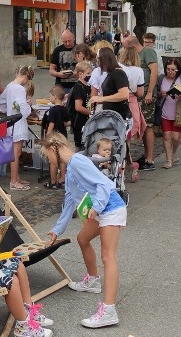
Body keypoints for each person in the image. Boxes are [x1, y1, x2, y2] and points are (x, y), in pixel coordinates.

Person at [43, 133, 126, 329]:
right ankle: (93, 281)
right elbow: (70, 201)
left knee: (108, 257)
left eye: (48, 156)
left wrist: (96, 208)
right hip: (101, 210)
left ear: (54, 148)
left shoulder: (77, 161)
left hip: (111, 208)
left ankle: (109, 311)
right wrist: (57, 230)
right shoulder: (71, 167)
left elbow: (105, 185)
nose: (49, 161)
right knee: (82, 238)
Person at [132, 34, 162, 171]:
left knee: (148, 125)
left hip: (146, 95)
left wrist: (149, 92)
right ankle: (146, 156)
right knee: (144, 126)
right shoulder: (139, 54)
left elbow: (154, 72)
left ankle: (150, 159)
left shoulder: (148, 52)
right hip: (139, 94)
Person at [155, 59, 181, 169]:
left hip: (178, 113)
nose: (170, 72)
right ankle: (168, 159)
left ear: (177, 70)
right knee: (166, 136)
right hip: (165, 111)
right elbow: (155, 93)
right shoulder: (161, 78)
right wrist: (161, 94)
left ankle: (174, 152)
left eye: (173, 70)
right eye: (168, 69)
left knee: (175, 137)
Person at [118, 44, 146, 182]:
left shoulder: (118, 68)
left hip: (118, 103)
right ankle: (129, 165)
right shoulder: (138, 71)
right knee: (127, 139)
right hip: (132, 103)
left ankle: (124, 164)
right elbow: (140, 92)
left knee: (120, 138)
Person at [5, 66, 34, 191]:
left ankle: (16, 177)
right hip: (18, 122)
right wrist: (29, 105)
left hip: (11, 120)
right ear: (27, 77)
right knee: (16, 154)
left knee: (15, 153)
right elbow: (23, 108)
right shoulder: (20, 89)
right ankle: (13, 181)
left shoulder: (10, 86)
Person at [42, 85, 70, 189]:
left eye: (50, 96)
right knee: (62, 158)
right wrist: (62, 124)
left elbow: (51, 125)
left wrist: (47, 138)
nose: (49, 98)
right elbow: (68, 122)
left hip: (54, 137)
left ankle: (53, 181)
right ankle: (62, 179)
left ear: (55, 96)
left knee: (53, 160)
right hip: (63, 136)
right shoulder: (64, 109)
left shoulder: (53, 110)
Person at [89, 48, 130, 120]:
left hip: (117, 116)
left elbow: (124, 94)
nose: (98, 63)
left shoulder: (118, 73)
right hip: (110, 115)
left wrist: (101, 99)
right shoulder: (110, 74)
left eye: (98, 61)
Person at [67, 61, 93, 150]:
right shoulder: (79, 87)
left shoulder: (87, 86)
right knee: (80, 144)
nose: (90, 75)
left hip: (84, 119)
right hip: (78, 120)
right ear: (81, 74)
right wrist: (91, 113)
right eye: (88, 73)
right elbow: (78, 107)